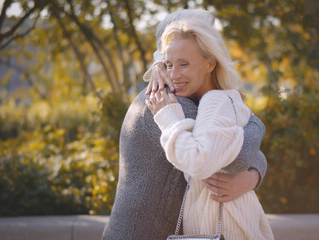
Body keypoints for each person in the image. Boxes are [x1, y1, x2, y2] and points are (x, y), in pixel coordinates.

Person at [101, 9, 268, 240]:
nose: (175, 73)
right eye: (170, 63)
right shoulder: (166, 103)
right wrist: (255, 133)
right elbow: (238, 156)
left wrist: (252, 175)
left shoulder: (199, 100)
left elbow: (232, 144)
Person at [146, 18, 274, 239]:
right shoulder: (223, 100)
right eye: (169, 65)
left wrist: (168, 118)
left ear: (210, 64)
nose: (174, 75)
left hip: (230, 229)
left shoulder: (215, 101)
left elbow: (198, 162)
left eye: (184, 64)